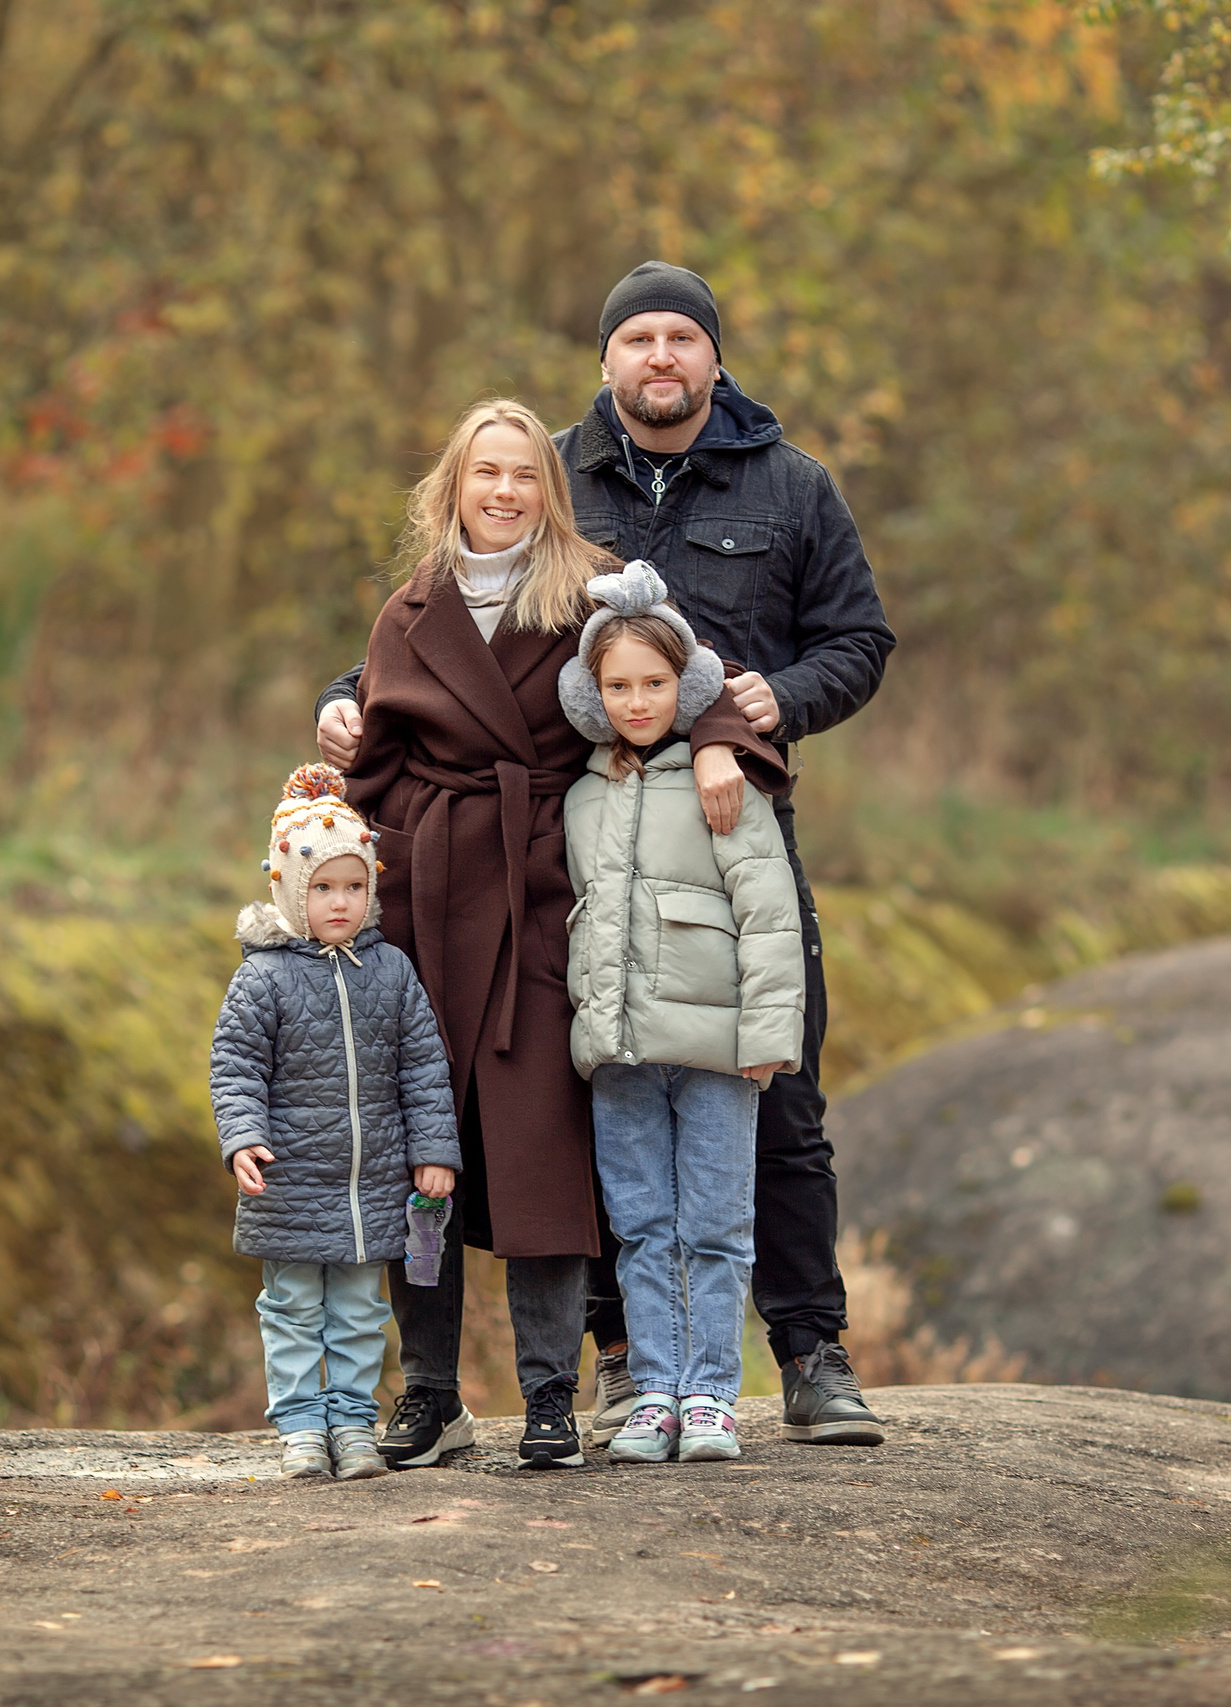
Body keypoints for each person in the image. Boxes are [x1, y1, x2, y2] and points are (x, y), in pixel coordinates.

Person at [318, 264, 896, 1447]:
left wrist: (761, 713)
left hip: (729, 826)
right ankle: (621, 1360)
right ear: (604, 359)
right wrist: (341, 706)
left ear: (715, 358)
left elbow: (858, 640)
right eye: (638, 337)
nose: (661, 358)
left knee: (772, 1092)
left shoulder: (791, 488)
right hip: (582, 844)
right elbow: (425, 645)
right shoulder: (552, 476)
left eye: (683, 337)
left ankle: (808, 1349)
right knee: (592, 1103)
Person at [335, 399, 782, 1470]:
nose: (503, 493)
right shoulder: (407, 609)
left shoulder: (594, 587)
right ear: (451, 487)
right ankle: (432, 1394)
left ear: (550, 488)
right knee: (418, 1153)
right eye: (484, 473)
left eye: (524, 475)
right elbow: (377, 737)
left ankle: (546, 1391)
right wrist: (339, 765)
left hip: (543, 893)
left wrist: (719, 739)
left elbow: (674, 675)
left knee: (540, 1150)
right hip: (428, 902)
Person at [558, 563, 802, 1463]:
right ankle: (653, 1387)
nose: (637, 701)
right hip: (621, 1052)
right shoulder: (581, 795)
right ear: (592, 693)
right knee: (640, 1223)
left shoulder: (722, 784)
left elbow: (770, 915)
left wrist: (770, 1038)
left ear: (686, 683)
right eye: (617, 686)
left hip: (715, 1049)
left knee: (714, 1220)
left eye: (655, 683)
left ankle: (711, 1394)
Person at [207, 764, 460, 1482]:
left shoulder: (392, 970)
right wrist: (242, 1135)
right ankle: (298, 1426)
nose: (340, 902)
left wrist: (433, 1150)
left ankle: (352, 1421)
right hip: (291, 1181)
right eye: (322, 888)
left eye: (354, 886)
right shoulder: (264, 977)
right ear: (290, 889)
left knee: (357, 1310)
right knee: (290, 1306)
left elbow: (423, 1066)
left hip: (370, 1184)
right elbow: (235, 1066)